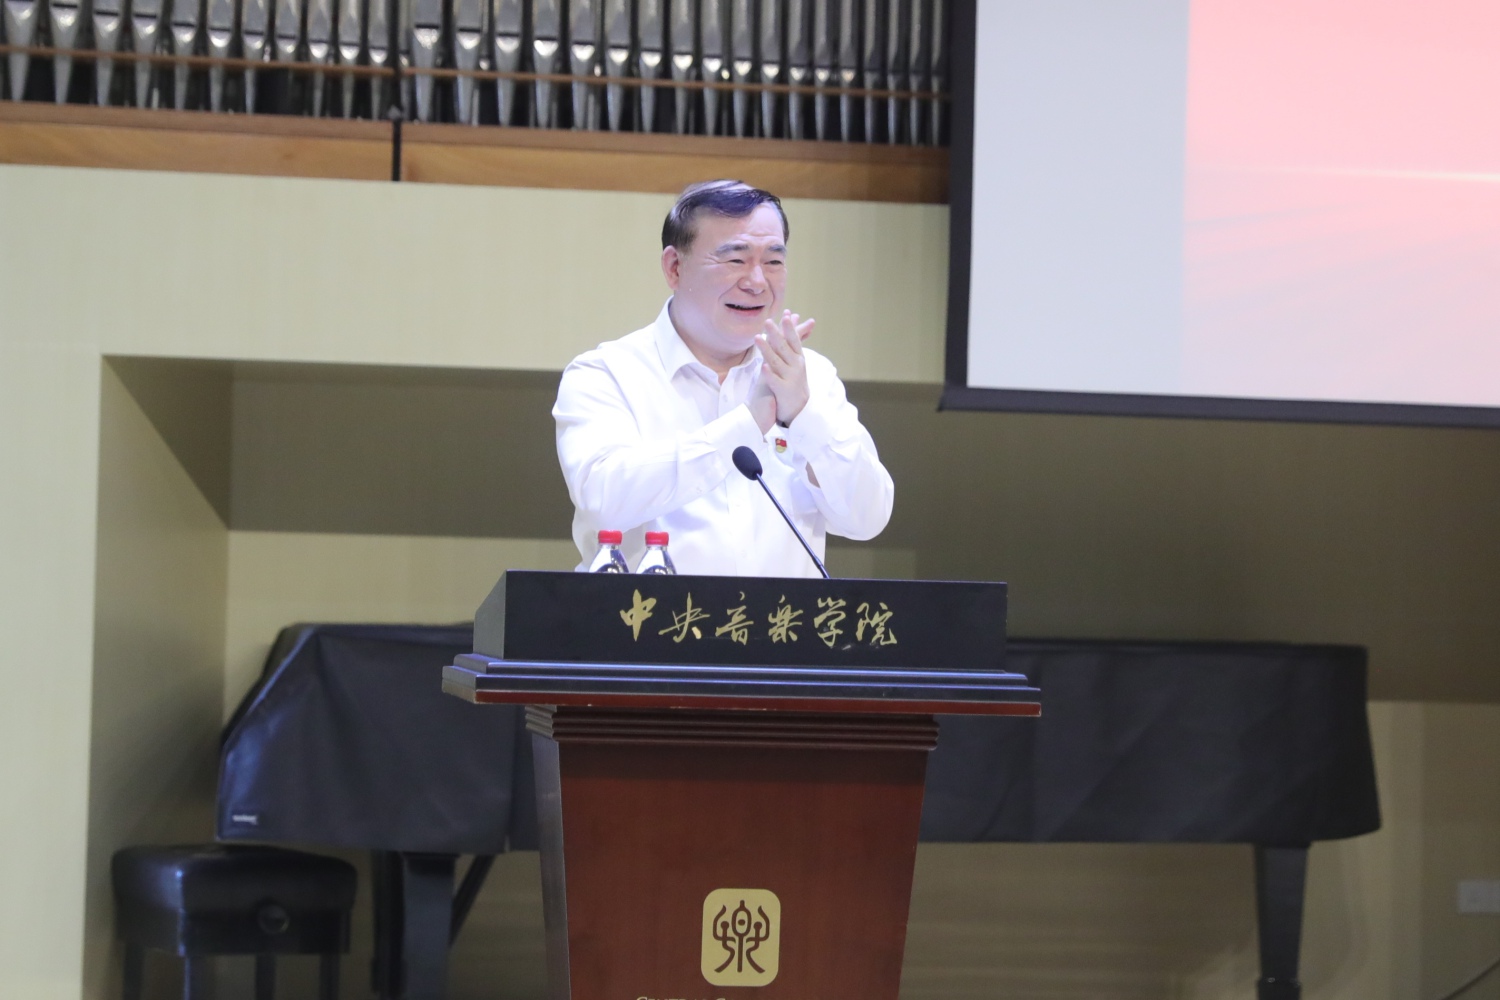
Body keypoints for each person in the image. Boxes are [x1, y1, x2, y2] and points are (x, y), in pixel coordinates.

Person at [553, 179, 894, 576]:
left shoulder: (810, 376)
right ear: (675, 267)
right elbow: (603, 501)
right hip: (647, 617)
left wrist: (804, 416)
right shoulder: (606, 373)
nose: (757, 281)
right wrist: (746, 425)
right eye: (735, 259)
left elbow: (867, 518)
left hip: (781, 618)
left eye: (774, 261)